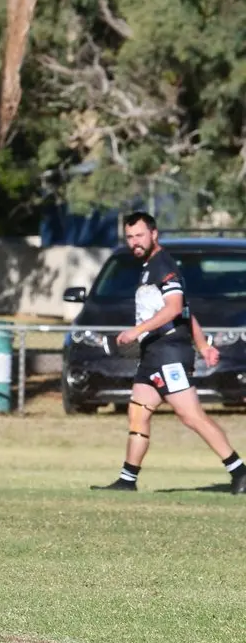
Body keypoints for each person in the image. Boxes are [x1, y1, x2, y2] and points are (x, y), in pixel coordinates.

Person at [94, 211, 246, 494]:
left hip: (169, 354)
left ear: (154, 234)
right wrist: (203, 346)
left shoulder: (164, 266)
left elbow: (175, 309)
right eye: (129, 237)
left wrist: (136, 332)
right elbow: (187, 312)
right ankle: (127, 480)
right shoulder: (149, 267)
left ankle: (240, 471)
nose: (134, 242)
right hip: (153, 355)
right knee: (138, 413)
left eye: (140, 235)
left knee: (191, 416)